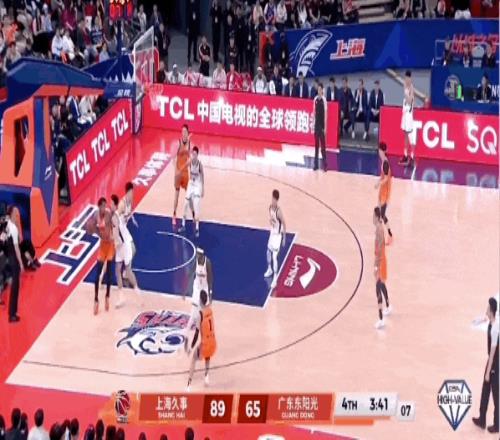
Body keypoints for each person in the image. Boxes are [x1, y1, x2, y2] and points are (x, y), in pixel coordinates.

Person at [472, 297, 499, 433]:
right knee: (485, 391)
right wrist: (481, 319)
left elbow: (493, 352)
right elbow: (475, 321)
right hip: (491, 361)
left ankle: (497, 425)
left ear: (492, 310)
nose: (486, 309)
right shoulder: (492, 322)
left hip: (494, 362)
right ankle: (482, 419)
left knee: (496, 394)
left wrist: (488, 371)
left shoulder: (494, 329)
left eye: (488, 307)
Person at [86, 197, 114, 315]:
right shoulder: (96, 214)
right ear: (99, 207)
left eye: (105, 206)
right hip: (103, 245)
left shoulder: (109, 214)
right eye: (102, 206)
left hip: (110, 245)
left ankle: (107, 296)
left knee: (109, 273)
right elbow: (91, 229)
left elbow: (113, 226)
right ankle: (96, 300)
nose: (104, 208)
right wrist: (94, 230)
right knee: (97, 274)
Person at [111, 194, 139, 308]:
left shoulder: (116, 217)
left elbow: (116, 235)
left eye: (111, 203)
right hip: (122, 244)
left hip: (123, 245)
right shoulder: (117, 216)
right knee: (117, 269)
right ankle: (122, 296)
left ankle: (135, 291)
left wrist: (114, 241)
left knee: (124, 269)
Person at [185, 290, 216, 391]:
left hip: (205, 344)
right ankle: (206, 376)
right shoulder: (210, 310)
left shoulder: (200, 314)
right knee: (207, 356)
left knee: (193, 359)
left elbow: (196, 334)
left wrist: (191, 347)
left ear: (200, 300)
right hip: (213, 341)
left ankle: (189, 385)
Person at [264, 189, 286, 288]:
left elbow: (284, 223)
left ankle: (275, 278)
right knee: (268, 252)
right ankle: (270, 269)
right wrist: (271, 222)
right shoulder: (270, 208)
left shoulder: (279, 211)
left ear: (276, 200)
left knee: (274, 257)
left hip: (277, 236)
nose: (273, 200)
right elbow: (272, 219)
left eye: (274, 199)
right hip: (272, 233)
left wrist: (284, 238)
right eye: (272, 198)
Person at [4, 207, 23, 323]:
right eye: (16, 213)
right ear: (11, 214)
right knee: (15, 287)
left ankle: (12, 313)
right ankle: (12, 315)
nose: (17, 215)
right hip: (13, 259)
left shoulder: (6, 224)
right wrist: (21, 263)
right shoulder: (14, 229)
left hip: (7, 258)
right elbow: (17, 248)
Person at [180, 146, 204, 237]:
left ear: (197, 155)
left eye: (195, 154)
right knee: (185, 203)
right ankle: (183, 225)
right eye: (192, 154)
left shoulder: (199, 164)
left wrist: (203, 188)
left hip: (197, 185)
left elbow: (202, 176)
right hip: (191, 184)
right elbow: (183, 167)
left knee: (196, 205)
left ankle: (197, 228)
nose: (193, 155)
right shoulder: (190, 161)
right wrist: (179, 171)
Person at [373, 207, 391, 330]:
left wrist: (376, 266)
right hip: (382, 260)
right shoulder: (380, 227)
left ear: (376, 216)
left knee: (378, 288)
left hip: (380, 261)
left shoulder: (379, 230)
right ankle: (388, 306)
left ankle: (381, 319)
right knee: (382, 284)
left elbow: (378, 250)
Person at [173, 125, 191, 228]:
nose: (183, 133)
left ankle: (191, 213)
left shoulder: (190, 144)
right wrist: (176, 170)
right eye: (182, 131)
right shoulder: (178, 143)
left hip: (185, 173)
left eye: (185, 131)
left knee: (189, 195)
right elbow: (173, 158)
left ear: (188, 133)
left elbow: (190, 159)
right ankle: (174, 214)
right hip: (178, 173)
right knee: (176, 195)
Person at [374, 143, 393, 242]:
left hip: (385, 192)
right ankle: (382, 233)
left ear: (382, 151)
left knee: (382, 214)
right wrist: (378, 181)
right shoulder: (384, 162)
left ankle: (390, 235)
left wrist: (379, 183)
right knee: (379, 212)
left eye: (379, 150)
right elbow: (383, 176)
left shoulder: (385, 163)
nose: (378, 152)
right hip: (383, 190)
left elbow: (386, 178)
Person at [399, 70, 415, 167]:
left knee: (411, 137)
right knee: (405, 135)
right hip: (405, 115)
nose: (406, 80)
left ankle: (412, 157)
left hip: (409, 116)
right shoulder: (406, 87)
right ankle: (405, 155)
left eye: (407, 78)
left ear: (410, 78)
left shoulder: (411, 88)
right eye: (405, 78)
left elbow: (409, 101)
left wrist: (405, 92)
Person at [313, 83, 328, 172]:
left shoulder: (324, 100)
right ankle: (315, 165)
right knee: (316, 146)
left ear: (322, 90)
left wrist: (325, 127)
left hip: (322, 126)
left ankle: (325, 165)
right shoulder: (315, 99)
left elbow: (325, 115)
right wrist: (313, 125)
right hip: (316, 125)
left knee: (323, 146)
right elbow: (314, 113)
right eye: (318, 89)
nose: (319, 91)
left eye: (320, 89)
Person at [187, 0, 200, 64]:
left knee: (195, 44)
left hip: (195, 28)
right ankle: (189, 58)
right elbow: (187, 17)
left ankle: (195, 58)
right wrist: (187, 27)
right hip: (190, 28)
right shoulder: (188, 6)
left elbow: (198, 16)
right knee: (189, 45)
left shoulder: (197, 6)